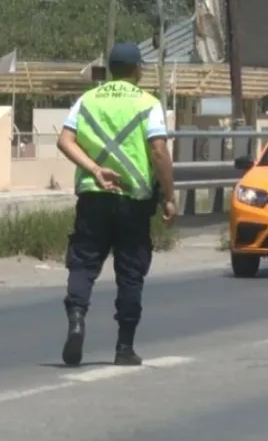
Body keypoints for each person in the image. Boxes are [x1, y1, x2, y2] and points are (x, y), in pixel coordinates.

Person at [56, 43, 177, 367]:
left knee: (83, 263)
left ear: (111, 69)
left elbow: (64, 140)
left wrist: (95, 169)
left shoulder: (87, 100)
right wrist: (169, 196)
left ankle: (78, 318)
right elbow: (159, 153)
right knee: (130, 272)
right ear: (137, 69)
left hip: (93, 196)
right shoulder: (148, 104)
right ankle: (124, 347)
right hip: (133, 201)